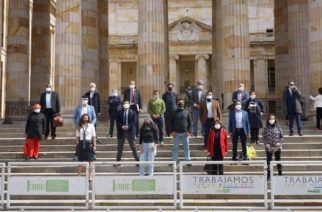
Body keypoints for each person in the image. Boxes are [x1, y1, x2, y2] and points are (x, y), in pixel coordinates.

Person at [115, 100, 139, 165]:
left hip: (130, 131)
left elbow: (134, 121)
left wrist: (128, 126)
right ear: (122, 105)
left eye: (127, 103)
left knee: (133, 147)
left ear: (129, 104)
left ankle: (138, 161)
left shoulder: (133, 112)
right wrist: (122, 126)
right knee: (120, 147)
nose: (126, 104)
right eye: (124, 103)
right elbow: (117, 121)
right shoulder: (119, 112)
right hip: (121, 132)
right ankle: (118, 161)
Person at [73, 96, 97, 160]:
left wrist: (92, 124)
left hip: (89, 126)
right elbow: (75, 117)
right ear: (81, 100)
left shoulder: (91, 107)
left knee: (91, 140)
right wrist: (76, 125)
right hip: (81, 126)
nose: (85, 101)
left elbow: (94, 117)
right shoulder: (78, 108)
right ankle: (77, 155)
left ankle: (93, 155)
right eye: (83, 99)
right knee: (79, 140)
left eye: (86, 99)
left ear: (88, 100)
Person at [262, 114, 283, 180]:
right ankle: (269, 175)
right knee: (269, 161)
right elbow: (263, 138)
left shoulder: (278, 127)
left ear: (275, 119)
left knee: (278, 160)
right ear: (268, 120)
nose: (271, 120)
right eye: (270, 119)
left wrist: (279, 143)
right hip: (269, 147)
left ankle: (280, 174)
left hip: (277, 147)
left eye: (273, 118)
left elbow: (282, 137)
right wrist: (266, 144)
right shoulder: (266, 128)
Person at [76, 114, 96, 182]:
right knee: (80, 160)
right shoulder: (79, 126)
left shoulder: (91, 126)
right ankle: (79, 175)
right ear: (82, 118)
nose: (86, 119)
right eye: (84, 118)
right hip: (81, 144)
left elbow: (93, 136)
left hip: (89, 143)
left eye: (87, 118)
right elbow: (77, 136)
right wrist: (78, 144)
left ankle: (90, 176)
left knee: (90, 160)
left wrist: (94, 145)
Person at [170, 99, 192, 163]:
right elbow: (171, 123)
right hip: (176, 133)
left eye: (182, 103)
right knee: (175, 148)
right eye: (179, 103)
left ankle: (188, 159)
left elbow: (190, 122)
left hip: (185, 133)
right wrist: (172, 131)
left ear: (184, 104)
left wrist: (189, 131)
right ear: (177, 104)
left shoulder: (187, 112)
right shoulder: (173, 112)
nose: (181, 104)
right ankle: (174, 160)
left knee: (186, 148)